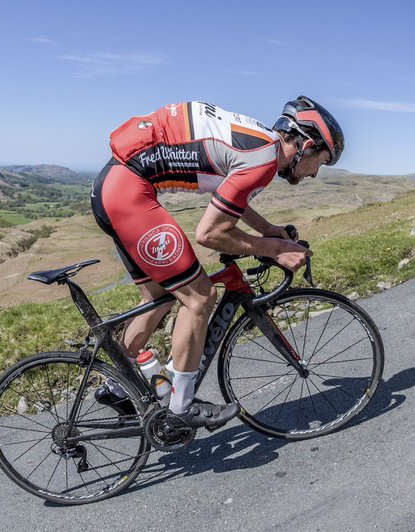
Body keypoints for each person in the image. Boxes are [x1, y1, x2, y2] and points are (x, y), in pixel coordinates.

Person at [90, 96, 342, 429]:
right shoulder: (263, 159)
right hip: (128, 194)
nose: (315, 174)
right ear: (307, 146)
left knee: (158, 297)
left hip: (112, 187)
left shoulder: (259, 143)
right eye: (321, 163)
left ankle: (116, 387)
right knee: (200, 297)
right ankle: (181, 407)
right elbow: (209, 234)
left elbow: (229, 197)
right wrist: (276, 248)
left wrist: (267, 230)